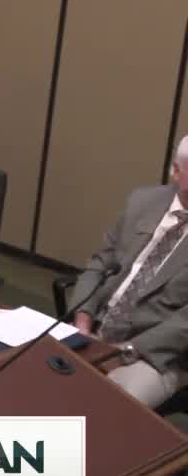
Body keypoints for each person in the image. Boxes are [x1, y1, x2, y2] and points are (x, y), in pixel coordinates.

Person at [69, 136, 188, 408]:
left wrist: (128, 350)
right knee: (30, 371)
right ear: (176, 171)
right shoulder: (143, 202)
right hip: (99, 327)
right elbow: (100, 264)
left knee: (105, 407)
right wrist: (83, 318)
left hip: (159, 352)